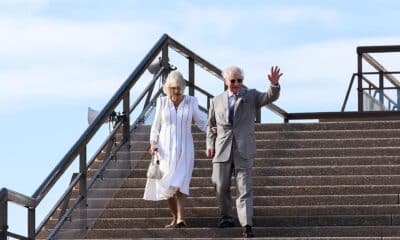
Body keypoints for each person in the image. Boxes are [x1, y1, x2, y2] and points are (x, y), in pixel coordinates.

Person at [206, 66, 282, 238]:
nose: (236, 84)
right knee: (220, 186)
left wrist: (274, 85)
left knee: (244, 188)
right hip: (222, 149)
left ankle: (247, 224)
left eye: (239, 80)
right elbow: (211, 127)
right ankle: (226, 217)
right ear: (226, 81)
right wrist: (210, 144)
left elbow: (269, 96)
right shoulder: (216, 100)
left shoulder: (251, 95)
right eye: (233, 81)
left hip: (244, 149)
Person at [143, 70, 208, 228]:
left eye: (179, 87)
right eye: (173, 88)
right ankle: (174, 216)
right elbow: (156, 125)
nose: (177, 91)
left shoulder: (191, 101)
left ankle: (181, 218)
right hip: (165, 149)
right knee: (167, 184)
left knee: (181, 182)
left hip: (185, 148)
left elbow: (201, 120)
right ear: (168, 88)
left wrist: (212, 129)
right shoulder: (162, 102)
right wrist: (153, 143)